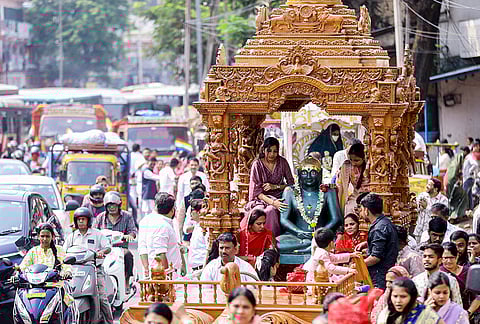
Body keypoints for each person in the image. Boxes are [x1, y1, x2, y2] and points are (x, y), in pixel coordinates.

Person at [63, 207, 113, 323]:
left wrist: (102, 252)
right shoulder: (72, 236)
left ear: (88, 221)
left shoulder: (96, 234)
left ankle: (109, 321)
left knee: (102, 297)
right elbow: (63, 251)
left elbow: (108, 247)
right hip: (75, 269)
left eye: (83, 219)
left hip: (94, 269)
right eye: (79, 219)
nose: (81, 222)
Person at [246, 137, 295, 237]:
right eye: (269, 151)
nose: (272, 154)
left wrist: (276, 187)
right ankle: (258, 241)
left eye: (275, 151)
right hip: (260, 198)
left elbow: (291, 184)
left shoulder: (282, 162)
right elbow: (257, 191)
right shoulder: (257, 164)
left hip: (279, 197)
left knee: (271, 211)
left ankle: (273, 241)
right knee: (261, 211)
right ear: (263, 150)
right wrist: (273, 203)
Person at [93, 191, 137, 290]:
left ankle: (126, 280)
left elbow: (133, 231)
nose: (111, 208)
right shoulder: (101, 217)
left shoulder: (127, 216)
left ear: (119, 205)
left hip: (120, 248)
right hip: (104, 248)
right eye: (109, 206)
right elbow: (94, 230)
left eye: (114, 205)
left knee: (128, 256)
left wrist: (129, 236)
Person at [355, 193, 399, 289]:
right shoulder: (385, 222)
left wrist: (358, 265)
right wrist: (367, 244)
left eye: (361, 210)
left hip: (380, 274)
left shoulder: (378, 228)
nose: (361, 213)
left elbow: (376, 257)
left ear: (366, 211)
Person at [138, 192, 185, 279]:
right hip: (163, 275)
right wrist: (165, 277)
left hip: (155, 272)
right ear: (172, 210)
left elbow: (143, 249)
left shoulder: (148, 220)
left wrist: (146, 270)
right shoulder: (162, 225)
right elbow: (160, 254)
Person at [376, 277, 443, 324]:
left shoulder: (426, 314)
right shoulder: (385, 315)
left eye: (403, 296)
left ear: (412, 297)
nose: (398, 300)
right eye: (395, 296)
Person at [176, 158, 209, 240]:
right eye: (192, 165)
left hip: (201, 202)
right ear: (188, 165)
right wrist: (178, 205)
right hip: (187, 202)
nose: (193, 167)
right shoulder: (183, 177)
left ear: (198, 166)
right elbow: (180, 192)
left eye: (195, 165)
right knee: (184, 222)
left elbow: (207, 189)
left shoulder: (203, 176)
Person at [336, 142, 369, 215]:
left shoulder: (369, 167)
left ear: (364, 158)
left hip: (369, 196)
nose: (353, 163)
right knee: (349, 208)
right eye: (351, 160)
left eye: (356, 160)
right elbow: (341, 187)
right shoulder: (347, 166)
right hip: (356, 196)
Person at [440, 242, 471, 310]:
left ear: (457, 256)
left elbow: (477, 295)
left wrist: (469, 312)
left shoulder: (468, 271)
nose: (448, 261)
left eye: (451, 257)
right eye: (445, 258)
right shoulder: (439, 273)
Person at [445, 146, 470, 224]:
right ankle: (457, 215)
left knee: (452, 199)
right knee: (463, 196)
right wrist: (458, 179)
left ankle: (452, 214)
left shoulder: (456, 157)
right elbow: (458, 169)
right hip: (452, 180)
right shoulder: (461, 156)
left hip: (449, 180)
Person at [186, 200, 208, 272]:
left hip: (201, 268)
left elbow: (208, 250)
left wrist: (204, 269)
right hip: (195, 269)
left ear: (199, 212)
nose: (190, 214)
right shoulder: (196, 226)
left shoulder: (205, 229)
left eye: (192, 210)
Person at [463, 140, 480, 210]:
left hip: (468, 178)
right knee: (469, 195)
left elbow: (475, 165)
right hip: (471, 178)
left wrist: (470, 171)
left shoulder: (470, 156)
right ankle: (470, 209)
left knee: (465, 194)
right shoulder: (471, 156)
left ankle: (466, 209)